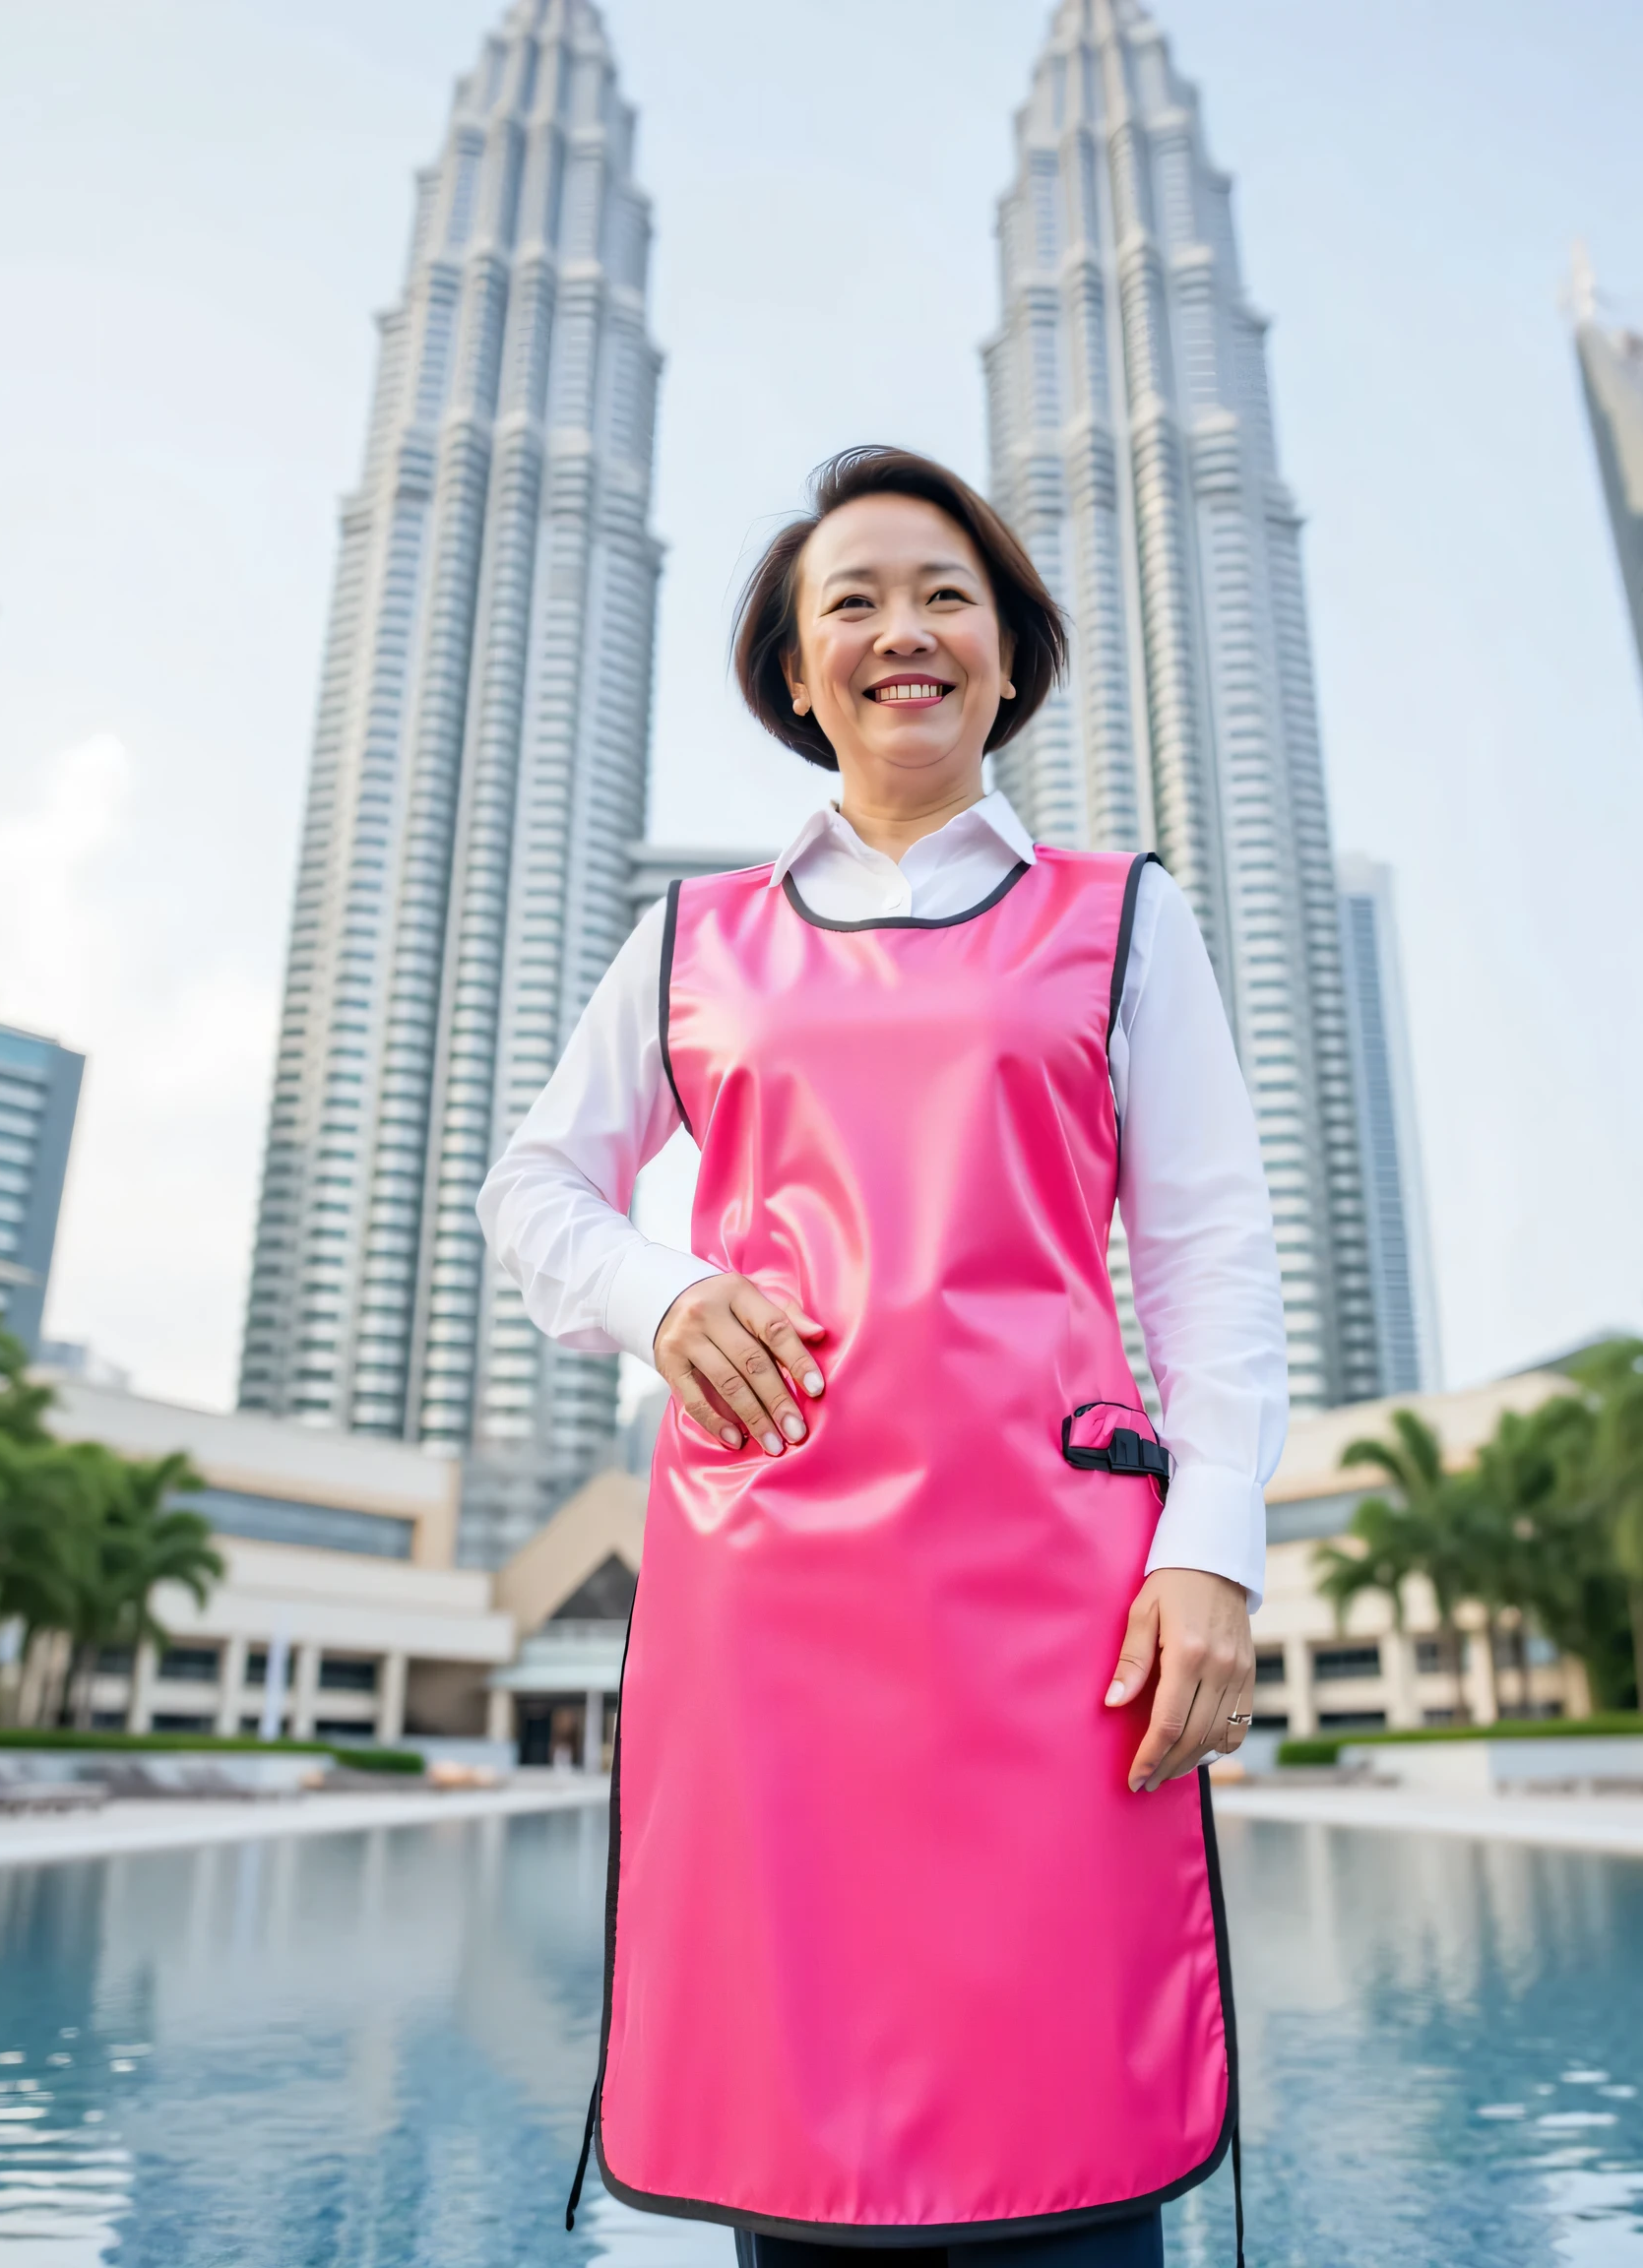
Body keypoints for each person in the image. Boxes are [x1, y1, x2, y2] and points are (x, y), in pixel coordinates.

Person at [479, 447, 1288, 2267]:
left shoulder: (1124, 913)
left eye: (947, 594)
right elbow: (532, 1186)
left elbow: (1211, 1256)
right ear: (791, 668)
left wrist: (1214, 1545)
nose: (901, 629)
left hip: (1059, 1612)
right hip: (772, 1617)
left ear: (1009, 655)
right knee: (809, 2163)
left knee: (1069, 2133)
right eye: (852, 598)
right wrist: (662, 1294)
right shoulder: (696, 936)